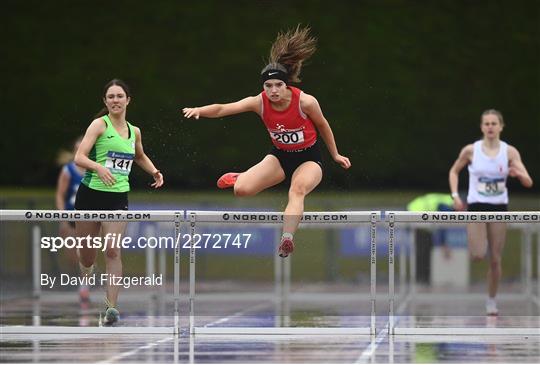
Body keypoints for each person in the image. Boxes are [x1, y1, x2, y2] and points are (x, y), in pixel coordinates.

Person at [182, 25, 351, 258]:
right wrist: (200, 109)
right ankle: (240, 177)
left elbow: (323, 125)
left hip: (309, 157)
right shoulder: (258, 102)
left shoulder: (306, 102)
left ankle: (287, 238)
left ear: (287, 85)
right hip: (280, 156)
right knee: (241, 191)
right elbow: (224, 108)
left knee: (298, 189)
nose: (273, 91)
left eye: (278, 85)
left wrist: (335, 154)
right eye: (268, 86)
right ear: (263, 87)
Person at [74, 79, 164, 325]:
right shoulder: (99, 125)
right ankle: (87, 270)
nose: (115, 100)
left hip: (117, 196)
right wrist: (98, 168)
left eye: (119, 96)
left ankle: (111, 308)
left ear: (128, 100)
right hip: (90, 193)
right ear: (105, 101)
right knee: (88, 255)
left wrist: (154, 171)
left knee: (112, 250)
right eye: (111, 97)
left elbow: (139, 155)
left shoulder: (134, 131)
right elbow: (79, 157)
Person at [448, 109, 533, 315]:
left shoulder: (509, 152)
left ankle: (491, 301)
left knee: (495, 259)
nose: (490, 127)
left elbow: (528, 182)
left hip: (498, 207)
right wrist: (455, 196)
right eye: (486, 124)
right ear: (482, 127)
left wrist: (518, 173)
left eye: (494, 123)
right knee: (478, 255)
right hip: (476, 205)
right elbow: (454, 171)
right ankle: (478, 244)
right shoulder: (471, 150)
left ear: (501, 127)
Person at [55, 136, 88, 301]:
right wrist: (62, 217)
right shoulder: (68, 170)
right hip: (70, 216)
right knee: (72, 254)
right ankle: (82, 275)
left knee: (85, 250)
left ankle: (84, 283)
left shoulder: (94, 169)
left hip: (88, 217)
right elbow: (60, 195)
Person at [406, 193, 454, 283]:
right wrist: (444, 245)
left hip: (416, 212)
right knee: (423, 250)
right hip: (416, 214)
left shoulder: (448, 199)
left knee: (425, 248)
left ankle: (423, 277)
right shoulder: (448, 205)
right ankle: (421, 278)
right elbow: (442, 225)